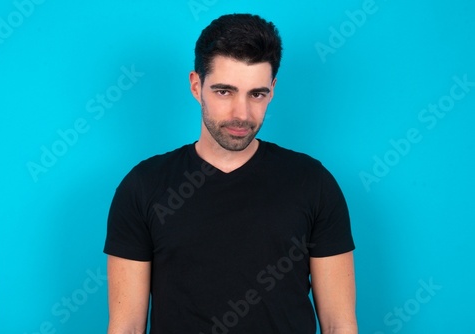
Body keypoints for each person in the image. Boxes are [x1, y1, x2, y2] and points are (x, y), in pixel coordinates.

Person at [104, 13, 357, 334]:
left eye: (257, 94)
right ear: (197, 86)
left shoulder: (313, 183)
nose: (242, 113)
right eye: (224, 91)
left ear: (273, 89)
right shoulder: (143, 186)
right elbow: (126, 327)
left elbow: (340, 325)